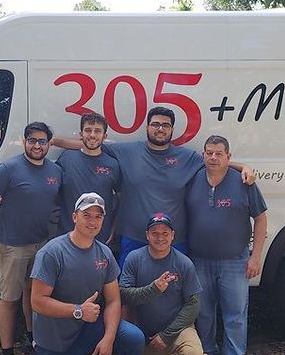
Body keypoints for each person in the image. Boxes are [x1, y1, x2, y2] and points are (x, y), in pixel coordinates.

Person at [52, 106, 255, 268]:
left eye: (165, 125)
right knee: (129, 293)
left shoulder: (187, 157)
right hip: (134, 237)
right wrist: (53, 141)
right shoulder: (127, 151)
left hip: (174, 240)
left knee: (173, 294)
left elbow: (214, 162)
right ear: (147, 127)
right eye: (155, 124)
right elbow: (90, 144)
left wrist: (244, 166)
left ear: (172, 130)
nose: (160, 129)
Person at [30, 192, 144, 355]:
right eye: (87, 215)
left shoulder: (104, 252)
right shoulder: (52, 253)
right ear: (74, 217)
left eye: (98, 216)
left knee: (133, 338)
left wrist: (108, 339)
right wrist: (78, 310)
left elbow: (113, 301)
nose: (93, 221)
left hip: (89, 328)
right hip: (55, 339)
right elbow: (37, 302)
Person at [0, 122, 62, 355]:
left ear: (49, 143)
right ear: (25, 142)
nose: (37, 145)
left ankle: (31, 341)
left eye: (42, 141)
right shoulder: (9, 169)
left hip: (41, 245)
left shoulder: (55, 171)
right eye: (32, 140)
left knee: (32, 295)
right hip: (12, 246)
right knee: (10, 299)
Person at [186, 135, 267, 355]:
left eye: (219, 153)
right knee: (205, 313)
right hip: (199, 260)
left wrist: (256, 256)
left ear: (228, 157)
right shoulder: (193, 178)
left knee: (235, 315)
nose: (213, 158)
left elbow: (261, 218)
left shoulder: (244, 182)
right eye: (209, 153)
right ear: (203, 155)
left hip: (235, 260)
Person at [120, 213, 206, 355]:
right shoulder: (134, 259)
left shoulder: (183, 263)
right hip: (150, 333)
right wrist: (153, 289)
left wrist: (167, 335)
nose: (160, 237)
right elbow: (124, 295)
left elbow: (193, 303)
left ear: (173, 235)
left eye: (165, 233)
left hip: (180, 328)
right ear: (147, 235)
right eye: (155, 233)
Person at [56, 112, 120, 244]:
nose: (92, 135)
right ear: (81, 134)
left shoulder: (113, 164)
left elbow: (120, 199)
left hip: (100, 238)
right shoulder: (66, 158)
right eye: (88, 130)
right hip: (67, 237)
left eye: (97, 131)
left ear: (105, 136)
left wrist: (113, 229)